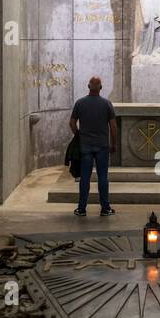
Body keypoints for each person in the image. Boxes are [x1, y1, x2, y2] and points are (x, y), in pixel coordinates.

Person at [69, 76, 117, 218]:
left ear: (88, 86)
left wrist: (79, 135)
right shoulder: (106, 104)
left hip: (85, 146)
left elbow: (72, 123)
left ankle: (82, 209)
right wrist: (114, 144)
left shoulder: (80, 103)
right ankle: (105, 208)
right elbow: (113, 126)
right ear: (100, 88)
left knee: (85, 178)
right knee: (103, 177)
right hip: (102, 145)